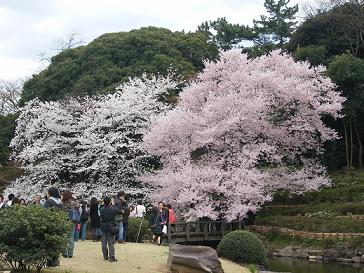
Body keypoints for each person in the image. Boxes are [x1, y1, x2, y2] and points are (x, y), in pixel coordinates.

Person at [100, 196, 122, 262]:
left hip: (104, 227)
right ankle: (111, 256)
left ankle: (105, 256)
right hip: (111, 227)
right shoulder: (113, 209)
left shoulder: (101, 209)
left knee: (103, 243)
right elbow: (120, 212)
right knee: (111, 242)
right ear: (110, 202)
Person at [62, 190, 79, 258]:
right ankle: (70, 253)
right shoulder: (73, 203)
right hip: (72, 220)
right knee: (71, 237)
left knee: (65, 236)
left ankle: (65, 252)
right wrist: (74, 199)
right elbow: (78, 206)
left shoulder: (62, 203)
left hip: (64, 220)